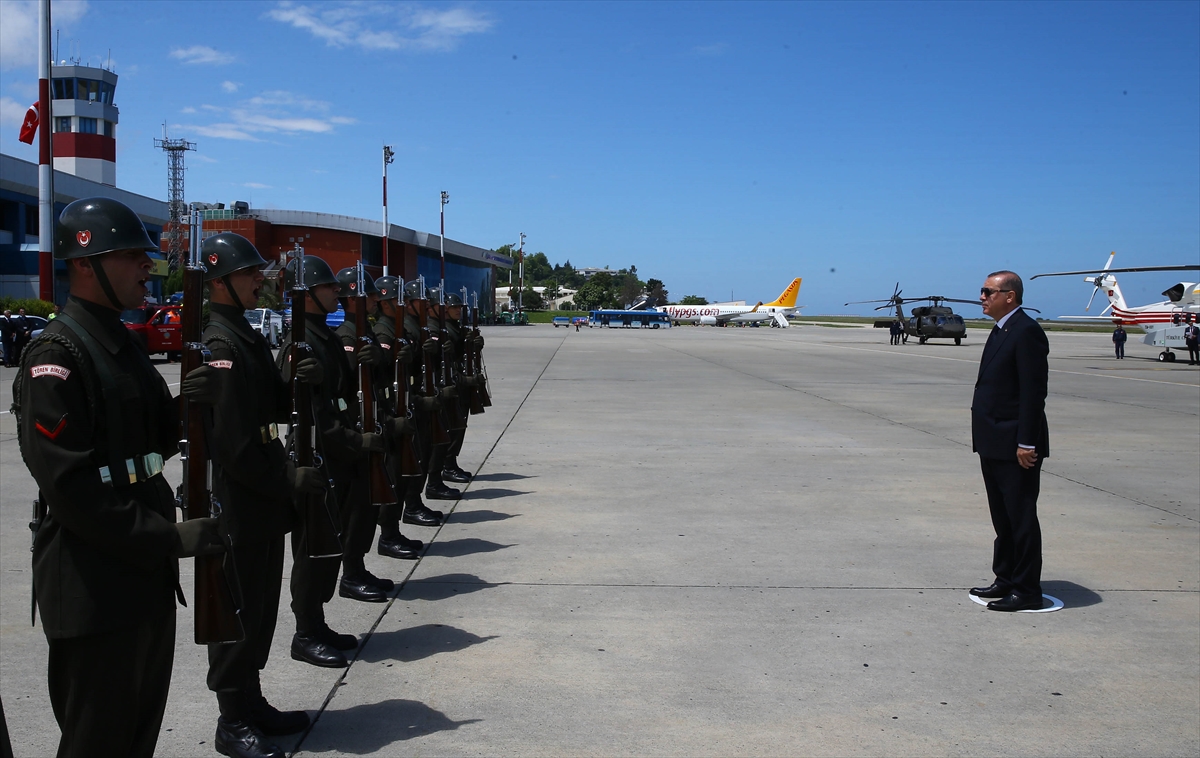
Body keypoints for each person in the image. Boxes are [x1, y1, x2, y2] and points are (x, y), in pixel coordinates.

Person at [13, 197, 224, 756]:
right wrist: (168, 537)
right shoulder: (56, 357)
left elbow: (147, 443)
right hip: (94, 587)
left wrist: (191, 407)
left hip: (142, 579)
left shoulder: (121, 344)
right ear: (85, 263)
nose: (146, 265)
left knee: (136, 739)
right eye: (131, 255)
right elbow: (71, 489)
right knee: (98, 744)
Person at [201, 233, 326, 758]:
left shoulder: (245, 337)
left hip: (263, 499)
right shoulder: (221, 346)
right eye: (249, 272)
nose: (259, 279)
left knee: (259, 612)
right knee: (237, 613)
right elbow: (232, 444)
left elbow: (272, 408)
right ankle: (232, 719)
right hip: (242, 500)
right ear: (220, 281)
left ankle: (251, 702)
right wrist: (286, 480)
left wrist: (298, 379)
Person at [277, 255, 389, 667]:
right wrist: (356, 442)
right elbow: (308, 413)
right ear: (307, 293)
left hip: (339, 452)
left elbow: (343, 397)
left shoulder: (322, 336)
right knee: (313, 549)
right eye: (328, 287)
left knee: (330, 546)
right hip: (319, 454)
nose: (336, 292)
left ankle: (317, 623)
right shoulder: (300, 343)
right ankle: (305, 632)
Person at [332, 267, 414, 602]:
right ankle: (350, 573)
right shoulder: (347, 336)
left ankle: (358, 567)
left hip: (374, 422)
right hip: (357, 430)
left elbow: (379, 380)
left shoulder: (364, 333)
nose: (372, 300)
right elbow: (343, 390)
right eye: (365, 295)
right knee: (356, 511)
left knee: (367, 507)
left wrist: (389, 359)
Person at [970, 270, 1049, 612]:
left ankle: (1027, 589)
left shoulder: (1026, 331)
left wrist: (1027, 443)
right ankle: (1005, 577)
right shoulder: (1002, 328)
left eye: (988, 291)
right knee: (1002, 518)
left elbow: (1033, 393)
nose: (982, 297)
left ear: (1010, 296)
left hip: (1016, 445)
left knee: (1021, 518)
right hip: (994, 440)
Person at [371, 276, 437, 563]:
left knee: (405, 470)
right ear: (387, 304)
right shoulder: (384, 331)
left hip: (405, 404)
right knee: (393, 475)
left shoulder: (400, 329)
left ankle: (394, 530)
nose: (408, 304)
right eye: (402, 300)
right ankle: (388, 535)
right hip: (391, 411)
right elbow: (380, 376)